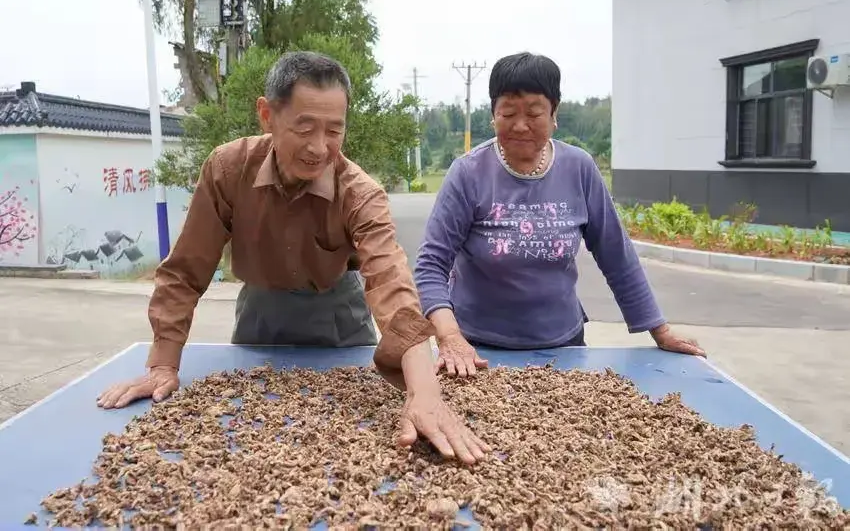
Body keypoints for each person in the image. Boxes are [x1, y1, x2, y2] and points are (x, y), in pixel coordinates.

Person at [96, 51, 489, 464]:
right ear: (267, 115)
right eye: (305, 128)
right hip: (259, 316)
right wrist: (163, 363)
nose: (319, 147)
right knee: (247, 439)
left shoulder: (359, 192)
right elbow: (185, 271)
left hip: (341, 318)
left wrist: (424, 394)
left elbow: (392, 285)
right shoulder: (227, 170)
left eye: (334, 131)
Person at [414, 52, 706, 378]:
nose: (520, 125)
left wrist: (659, 330)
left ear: (555, 113)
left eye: (534, 113)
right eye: (507, 113)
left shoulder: (579, 168)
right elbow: (431, 265)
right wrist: (450, 337)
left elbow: (616, 255)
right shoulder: (467, 173)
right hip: (476, 351)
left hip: (563, 346)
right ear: (493, 114)